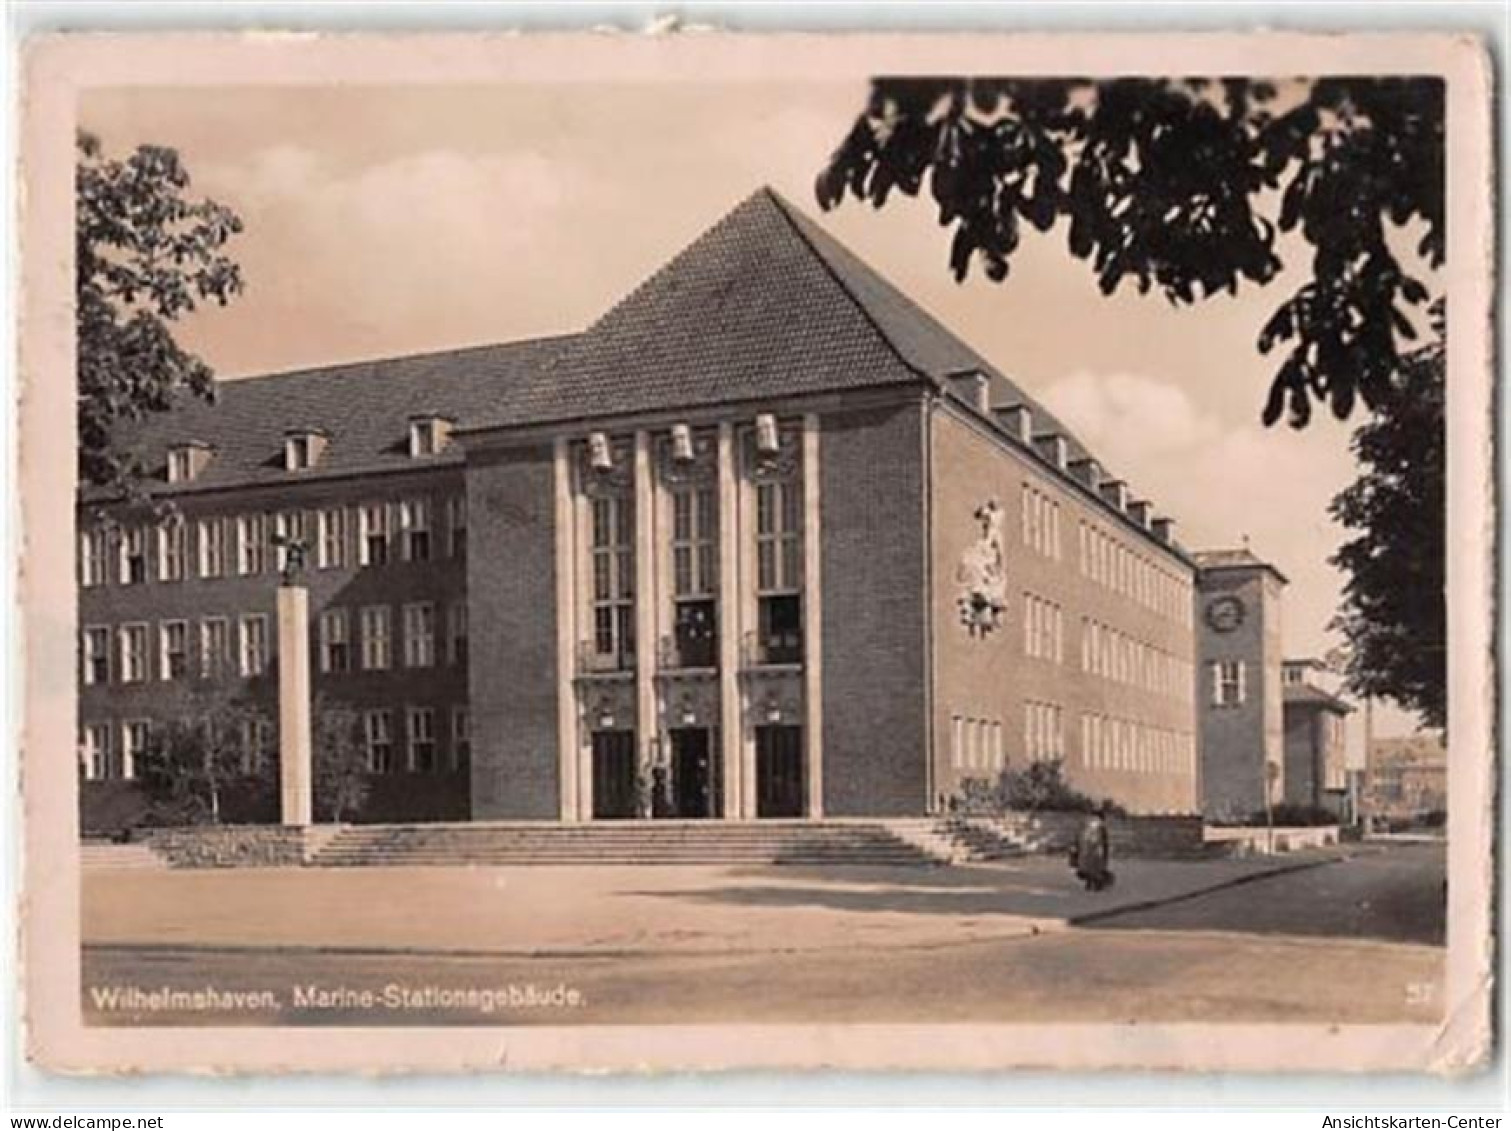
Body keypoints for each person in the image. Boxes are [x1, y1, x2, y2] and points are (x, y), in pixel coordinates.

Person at [1070, 808, 1114, 892]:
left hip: (1086, 855)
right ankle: (1096, 883)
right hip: (1094, 854)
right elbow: (1104, 844)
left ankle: (1092, 883)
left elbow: (1077, 841)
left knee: (1089, 869)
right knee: (1094, 869)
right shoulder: (1099, 827)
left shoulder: (1084, 826)